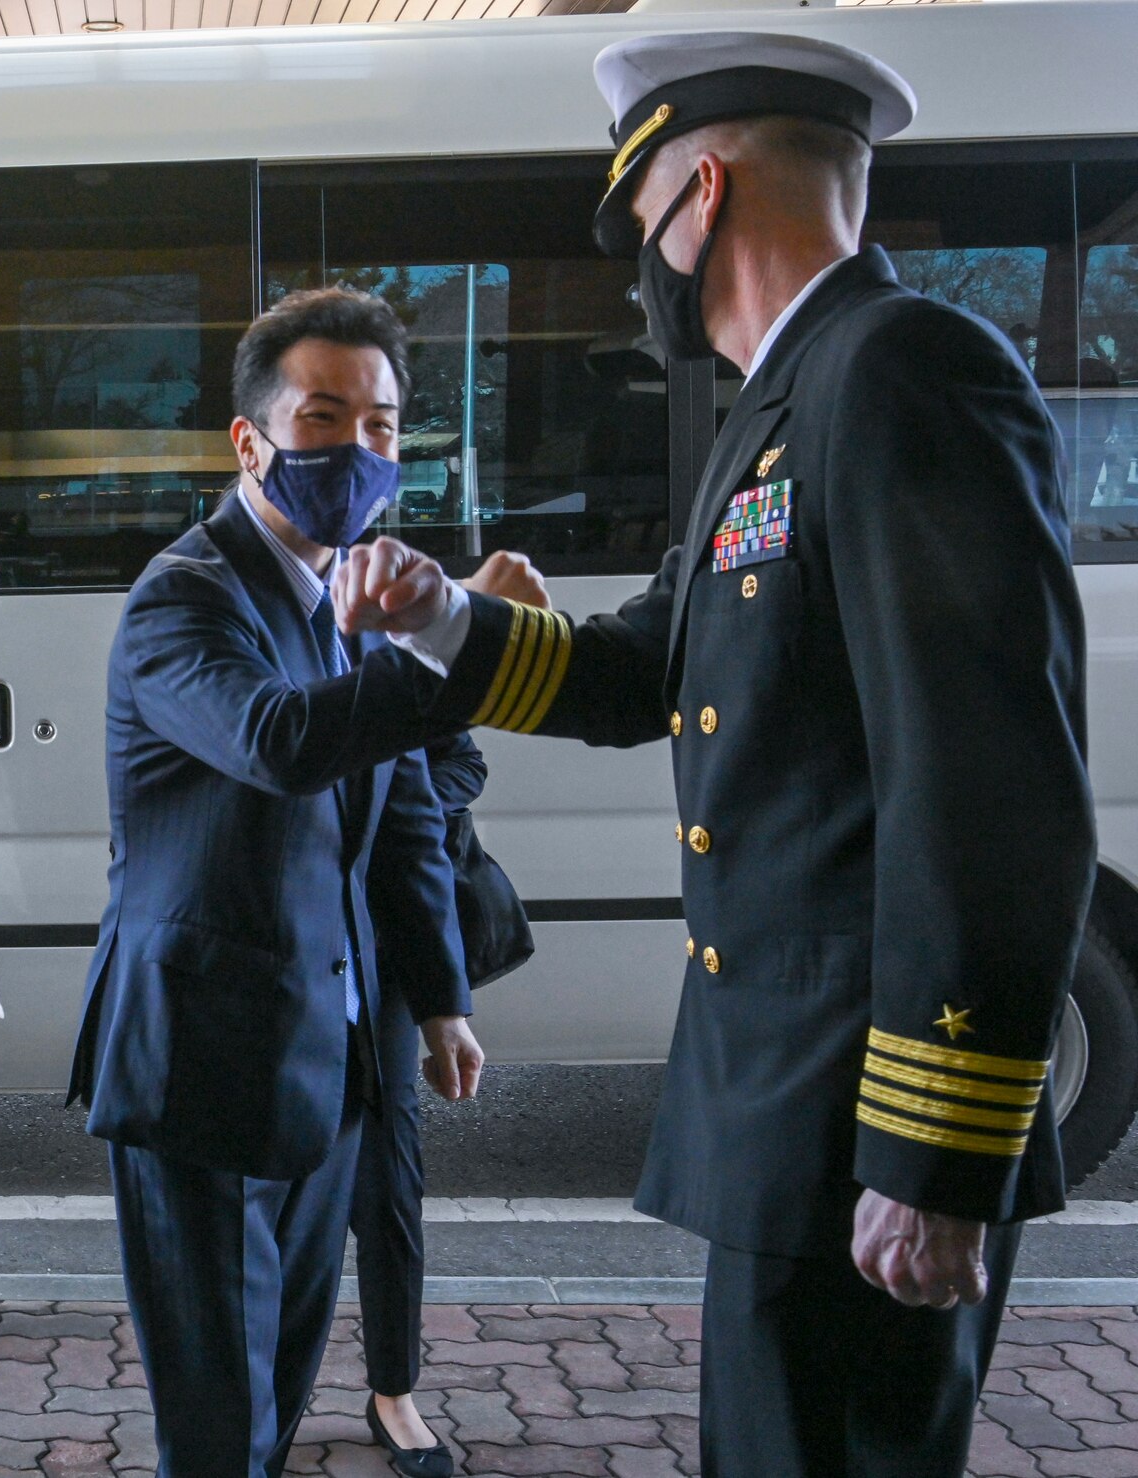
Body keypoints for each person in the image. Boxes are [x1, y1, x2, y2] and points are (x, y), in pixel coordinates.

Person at [332, 32, 1093, 1478]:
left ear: (704, 191)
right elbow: (645, 669)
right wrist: (442, 620)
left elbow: (991, 790)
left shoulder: (904, 371)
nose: (638, 268)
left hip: (862, 1112)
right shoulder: (788, 401)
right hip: (786, 1112)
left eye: (635, 227)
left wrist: (931, 1159)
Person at [68, 286, 505, 1478]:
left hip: (330, 1069)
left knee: (282, 1379)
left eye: (381, 427)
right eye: (323, 417)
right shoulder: (183, 597)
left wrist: (439, 997)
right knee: (218, 1420)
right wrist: (451, 650)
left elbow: (403, 815)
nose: (357, 450)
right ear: (249, 439)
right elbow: (275, 740)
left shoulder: (354, 594)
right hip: (199, 1065)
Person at [353, 729, 530, 1478]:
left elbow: (464, 760)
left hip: (386, 947)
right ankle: (266, 1396)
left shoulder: (384, 637)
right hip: (281, 946)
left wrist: (400, 799)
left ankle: (394, 1393)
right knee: (270, 1197)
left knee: (390, 1183)